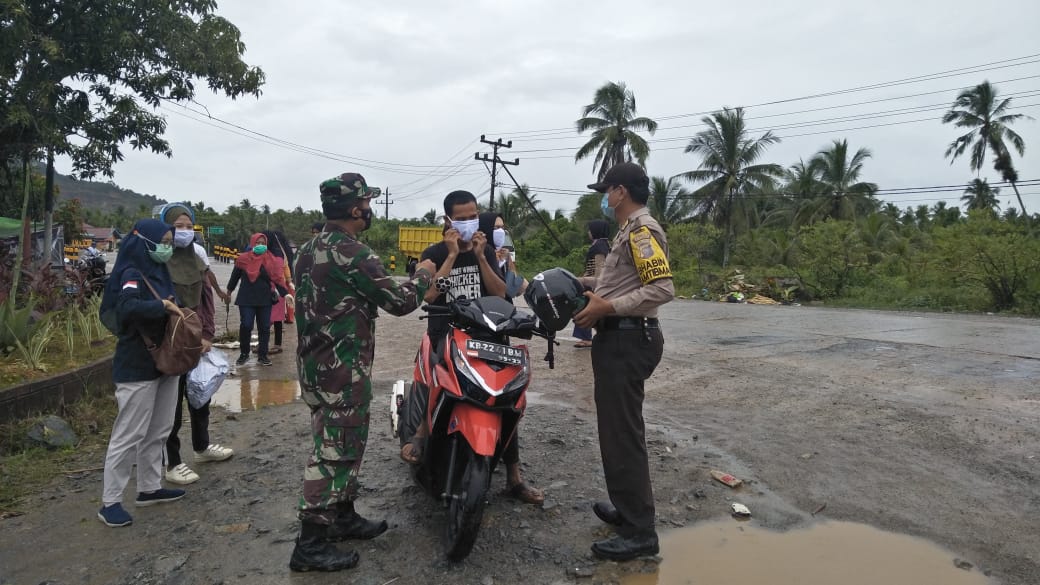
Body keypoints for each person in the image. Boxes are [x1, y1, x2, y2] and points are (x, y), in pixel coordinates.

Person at [289, 172, 436, 572]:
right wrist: (424, 271)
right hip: (342, 368)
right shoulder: (353, 252)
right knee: (333, 452)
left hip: (315, 365)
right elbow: (401, 301)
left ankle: (342, 516)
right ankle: (310, 544)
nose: (369, 210)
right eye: (367, 204)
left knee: (344, 442)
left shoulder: (306, 249)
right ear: (356, 209)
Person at [404, 191, 543, 506]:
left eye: (472, 216)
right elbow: (428, 296)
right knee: (434, 376)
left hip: (486, 335)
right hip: (447, 332)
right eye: (461, 217)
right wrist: (452, 256)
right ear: (448, 220)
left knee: (506, 398)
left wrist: (481, 257)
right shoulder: (436, 251)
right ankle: (421, 435)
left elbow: (500, 294)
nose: (469, 222)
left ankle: (514, 478)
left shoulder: (488, 252)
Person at [573, 162, 674, 561]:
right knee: (615, 433)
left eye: (607, 190)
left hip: (630, 339)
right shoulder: (627, 232)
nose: (604, 197)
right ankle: (628, 509)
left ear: (620, 192)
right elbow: (619, 282)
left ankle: (640, 533)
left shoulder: (643, 230)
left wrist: (607, 306)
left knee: (623, 435)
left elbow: (662, 288)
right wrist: (583, 284)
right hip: (620, 338)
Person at [96, 219, 189, 527]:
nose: (167, 246)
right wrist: (161, 306)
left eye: (169, 241)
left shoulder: (160, 272)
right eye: (162, 240)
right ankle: (110, 502)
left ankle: (149, 488)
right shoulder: (131, 274)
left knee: (159, 429)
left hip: (165, 362)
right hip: (137, 364)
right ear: (143, 242)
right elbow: (126, 308)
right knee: (129, 433)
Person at [160, 203, 234, 485]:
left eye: (189, 226)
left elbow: (206, 301)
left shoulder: (198, 259)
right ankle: (172, 462)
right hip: (169, 342)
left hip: (195, 341)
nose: (185, 231)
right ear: (167, 228)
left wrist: (206, 336)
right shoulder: (160, 260)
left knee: (200, 395)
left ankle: (202, 447)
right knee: (172, 404)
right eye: (178, 226)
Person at [227, 233, 287, 367]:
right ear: (252, 243)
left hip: (265, 298)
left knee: (264, 328)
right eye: (258, 242)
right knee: (246, 325)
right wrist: (228, 292)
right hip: (246, 298)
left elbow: (277, 278)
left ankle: (263, 355)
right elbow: (234, 277)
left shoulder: (270, 260)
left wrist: (286, 294)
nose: (260, 245)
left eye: (263, 243)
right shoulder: (243, 259)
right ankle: (244, 354)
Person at [572, 220, 611, 348]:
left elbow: (600, 270)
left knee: (582, 308)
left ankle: (586, 338)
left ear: (595, 231)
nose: (589, 232)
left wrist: (586, 280)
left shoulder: (599, 246)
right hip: (591, 283)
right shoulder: (604, 244)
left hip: (593, 286)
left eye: (590, 230)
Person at [262, 230, 295, 354]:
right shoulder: (259, 251)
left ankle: (277, 344)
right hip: (263, 287)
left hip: (278, 287)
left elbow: (285, 267)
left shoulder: (278, 253)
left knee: (276, 317)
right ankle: (263, 343)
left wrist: (289, 281)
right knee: (263, 316)